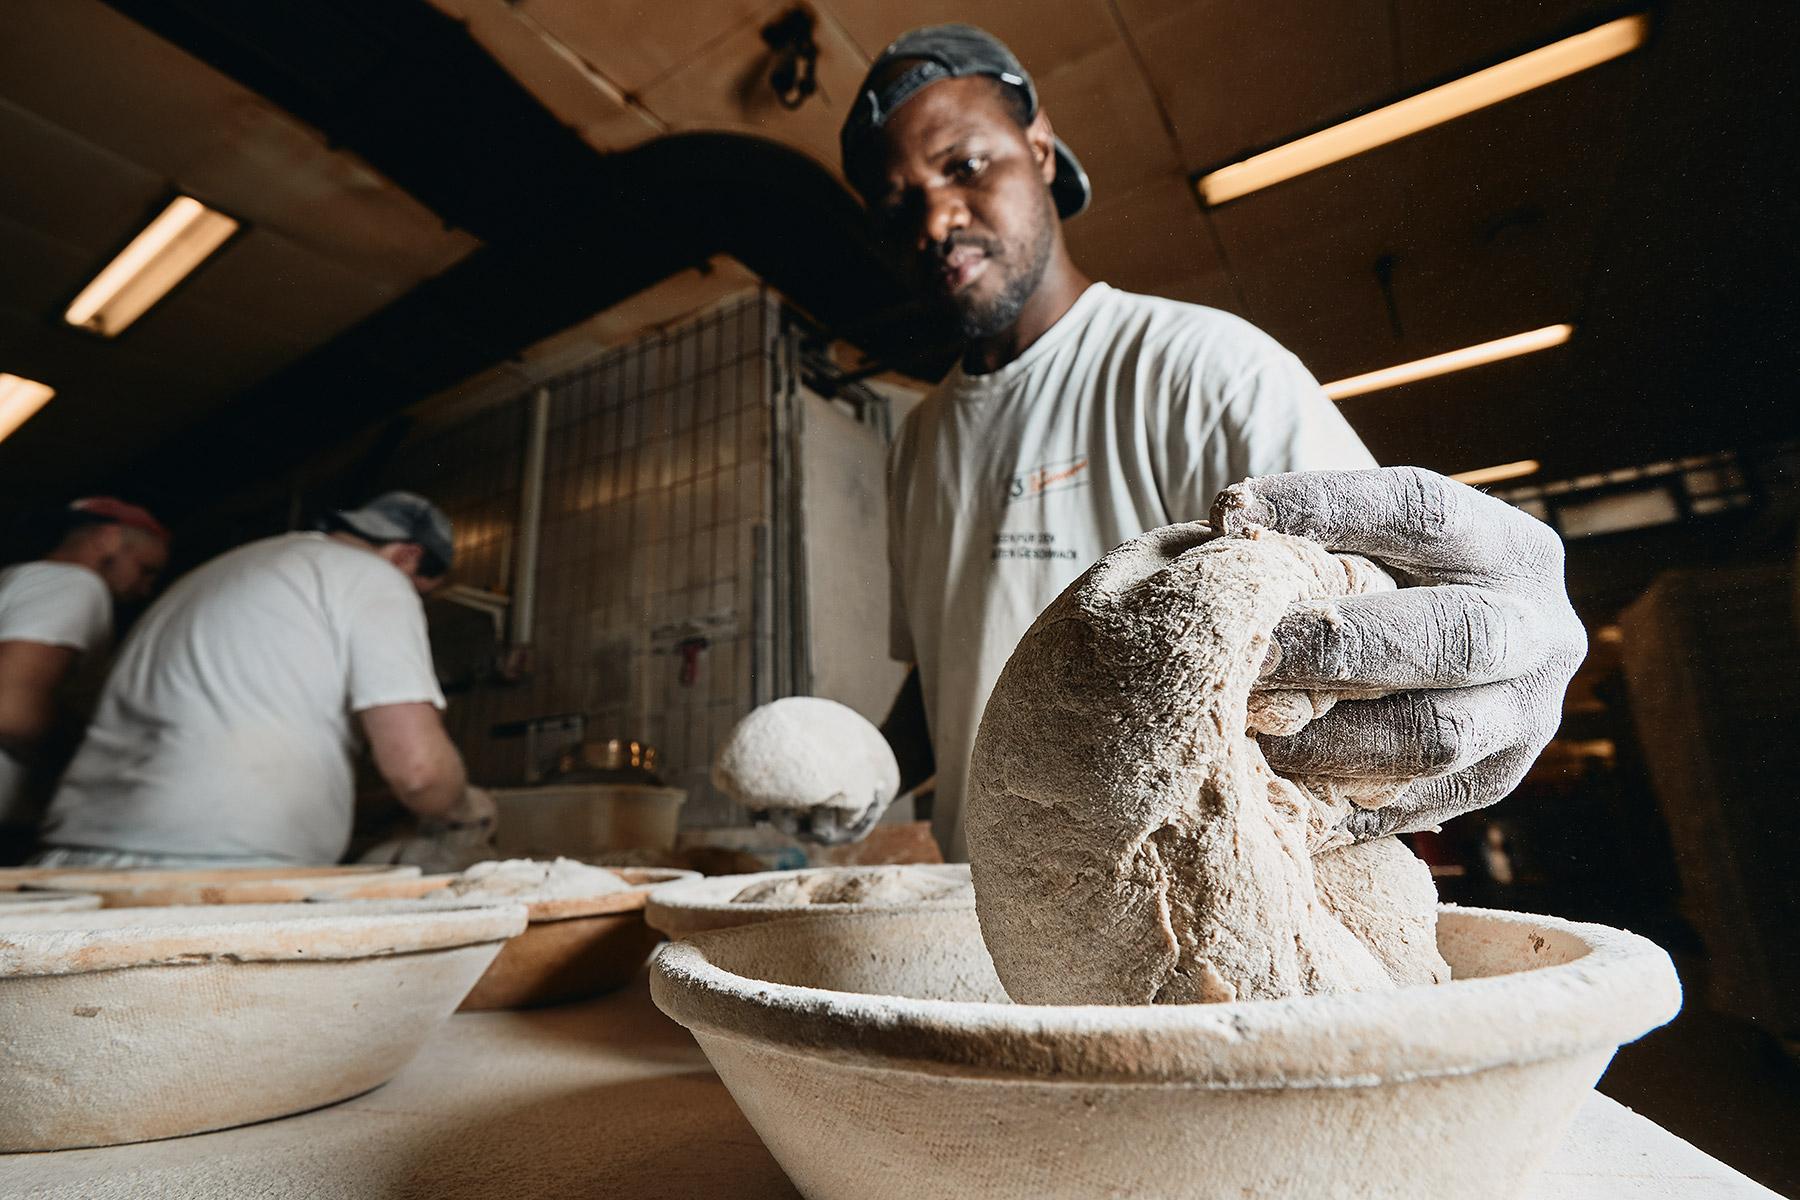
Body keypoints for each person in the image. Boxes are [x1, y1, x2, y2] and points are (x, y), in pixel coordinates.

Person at [803, 24, 1586, 860]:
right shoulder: (915, 442)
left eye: (964, 166)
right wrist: (860, 769)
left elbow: (1381, 604)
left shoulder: (1201, 367)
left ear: (1038, 148)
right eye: (897, 205)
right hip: (977, 917)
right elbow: (949, 669)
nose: (935, 219)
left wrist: (1498, 643)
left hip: (1180, 919)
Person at [35, 491, 492, 867]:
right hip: (214, 866)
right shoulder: (374, 576)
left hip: (73, 851)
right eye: (421, 594)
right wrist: (462, 808)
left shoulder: (219, 571)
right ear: (407, 557)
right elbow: (418, 771)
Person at [0, 498, 170, 862]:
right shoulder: (74, 584)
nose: (146, 589)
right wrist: (103, 759)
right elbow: (10, 710)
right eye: (145, 570)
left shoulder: (16, 577)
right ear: (109, 538)